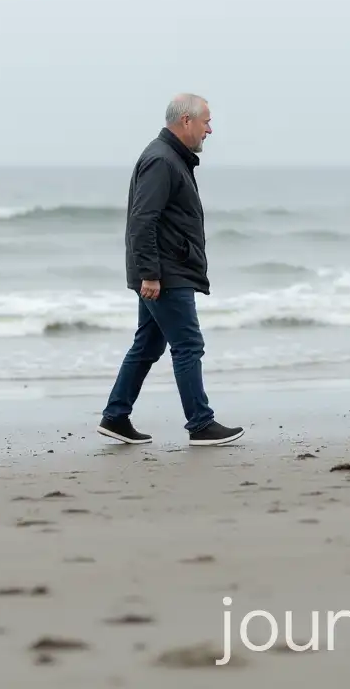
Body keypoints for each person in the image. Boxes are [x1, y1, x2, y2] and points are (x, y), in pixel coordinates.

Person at [97, 94, 245, 446]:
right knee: (188, 344)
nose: (210, 130)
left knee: (148, 345)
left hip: (164, 269)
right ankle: (201, 424)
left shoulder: (172, 158)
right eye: (206, 122)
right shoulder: (162, 160)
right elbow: (143, 220)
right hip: (165, 273)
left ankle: (115, 416)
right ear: (186, 121)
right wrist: (150, 274)